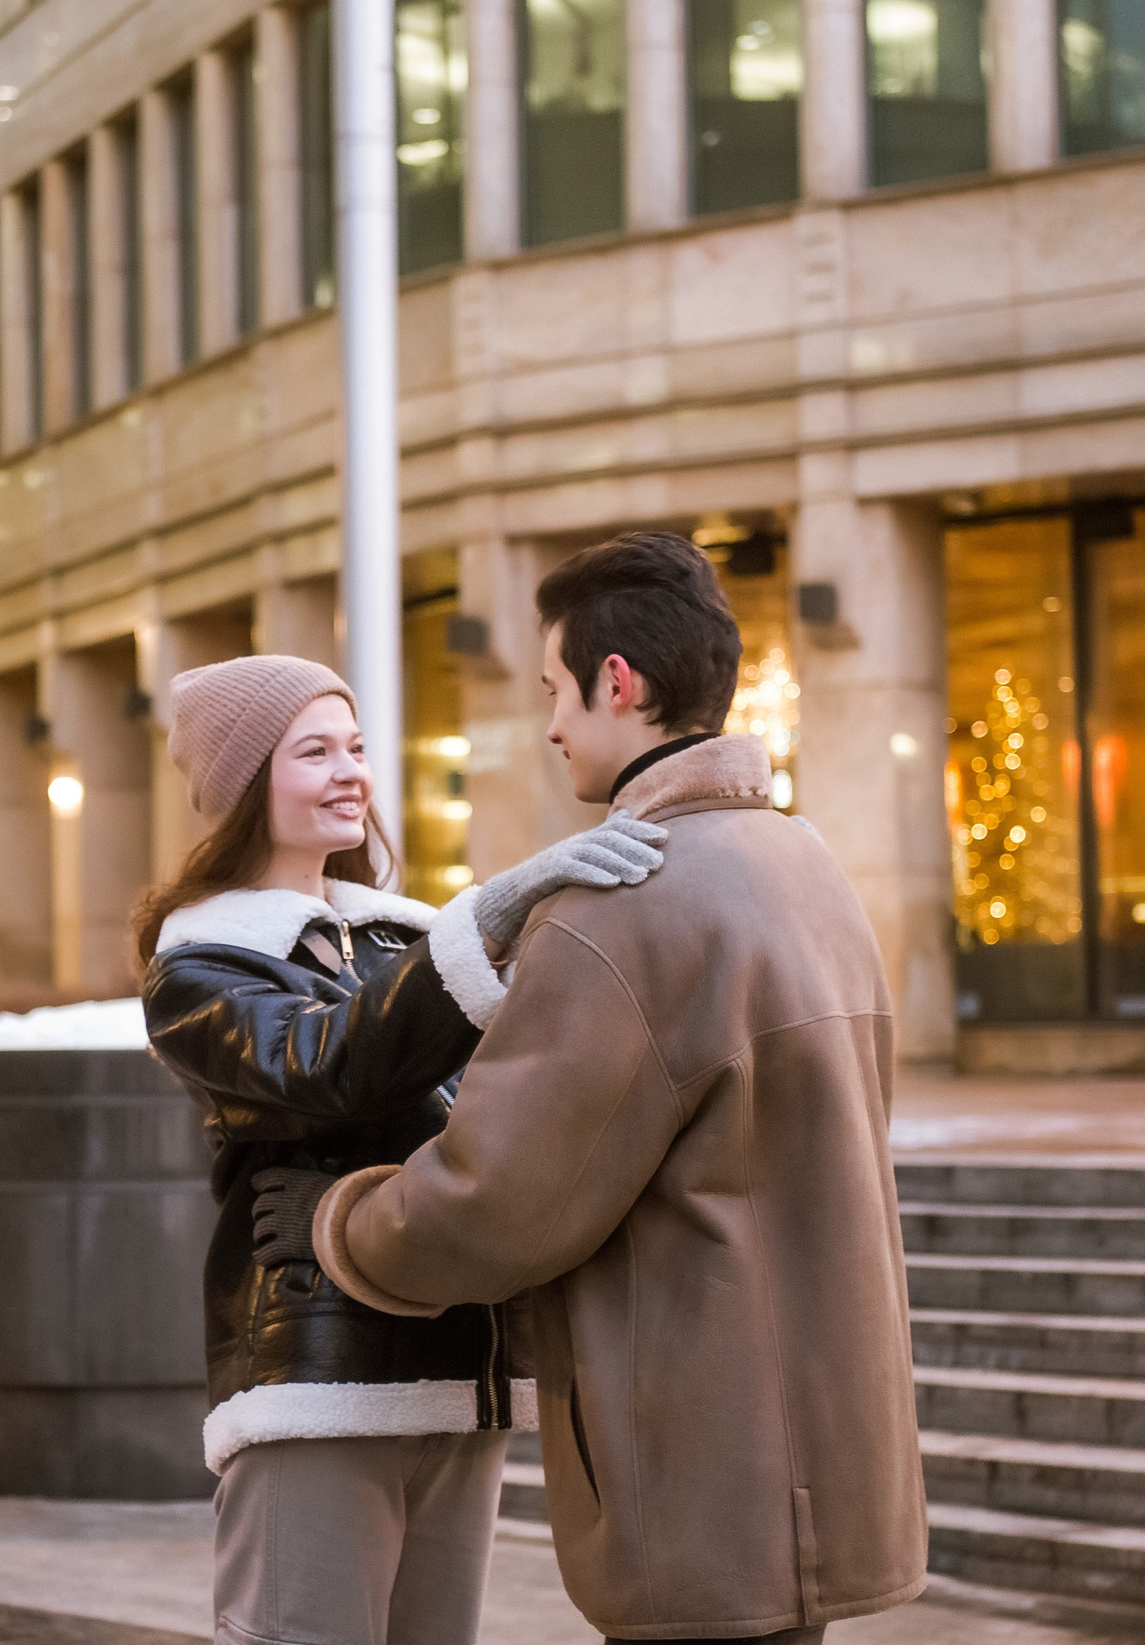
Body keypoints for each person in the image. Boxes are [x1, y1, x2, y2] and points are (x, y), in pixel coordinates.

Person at [304, 534, 930, 1643]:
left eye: (554, 688)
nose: (550, 724)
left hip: (699, 1476)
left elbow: (498, 1198)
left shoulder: (622, 903)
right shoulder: (807, 865)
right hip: (822, 1462)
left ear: (617, 682)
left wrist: (343, 1221)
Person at [136, 653, 664, 1645]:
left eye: (355, 747)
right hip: (318, 1380)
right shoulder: (199, 968)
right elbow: (329, 1063)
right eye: (313, 753)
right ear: (242, 783)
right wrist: (493, 914)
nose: (350, 773)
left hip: (461, 1367)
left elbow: (516, 1110)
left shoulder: (402, 941)